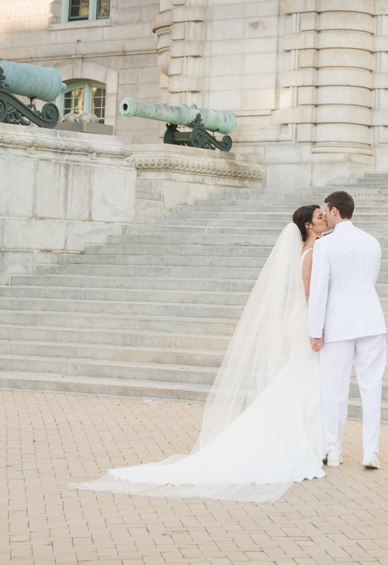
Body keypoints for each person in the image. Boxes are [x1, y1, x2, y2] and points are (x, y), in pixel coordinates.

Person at [73, 204, 329, 502]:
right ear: (309, 226)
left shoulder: (301, 251)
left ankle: (310, 440)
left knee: (298, 381)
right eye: (320, 217)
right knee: (307, 381)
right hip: (305, 322)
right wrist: (317, 330)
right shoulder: (310, 254)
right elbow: (311, 296)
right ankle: (310, 443)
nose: (324, 219)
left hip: (296, 321)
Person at [307, 190, 387, 470]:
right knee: (371, 387)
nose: (326, 216)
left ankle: (334, 451)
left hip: (339, 322)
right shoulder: (372, 242)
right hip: (371, 320)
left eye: (327, 210)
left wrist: (315, 329)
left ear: (334, 211)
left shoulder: (325, 245)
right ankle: (371, 452)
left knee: (335, 389)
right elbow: (370, 281)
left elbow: (319, 291)